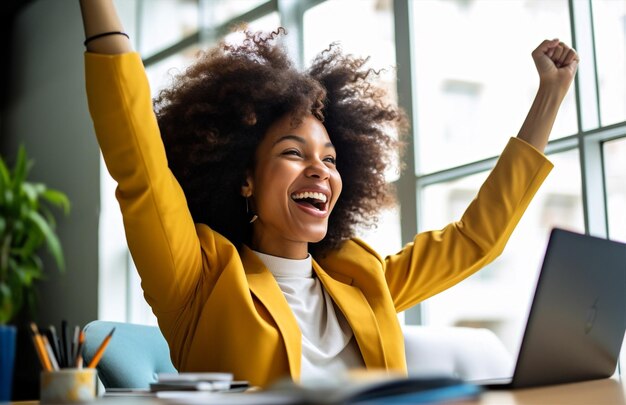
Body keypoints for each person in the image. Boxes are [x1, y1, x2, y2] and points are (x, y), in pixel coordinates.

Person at [79, 0, 579, 388]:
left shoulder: (360, 278)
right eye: (295, 153)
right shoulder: (199, 278)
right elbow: (139, 165)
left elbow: (475, 239)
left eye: (331, 159)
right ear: (245, 178)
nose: (320, 169)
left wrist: (550, 96)